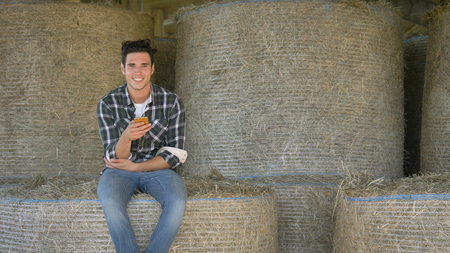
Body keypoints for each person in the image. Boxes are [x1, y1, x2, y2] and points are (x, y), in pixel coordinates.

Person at [96, 39, 187, 253]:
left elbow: (174, 154)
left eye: (144, 65)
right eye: (132, 65)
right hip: (118, 171)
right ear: (123, 69)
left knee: (177, 201)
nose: (138, 71)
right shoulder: (107, 103)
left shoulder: (172, 102)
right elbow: (112, 156)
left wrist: (137, 167)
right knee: (110, 199)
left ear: (153, 69)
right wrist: (126, 137)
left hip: (159, 170)